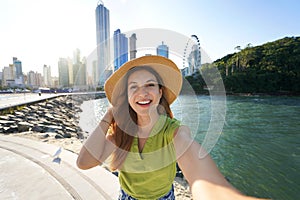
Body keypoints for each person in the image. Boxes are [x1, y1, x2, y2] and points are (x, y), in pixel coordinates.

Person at [77, 55, 267, 200]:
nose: (142, 93)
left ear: (160, 93)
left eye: (149, 85)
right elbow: (83, 162)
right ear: (126, 97)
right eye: (133, 87)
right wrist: (109, 114)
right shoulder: (122, 133)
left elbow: (199, 170)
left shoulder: (174, 131)